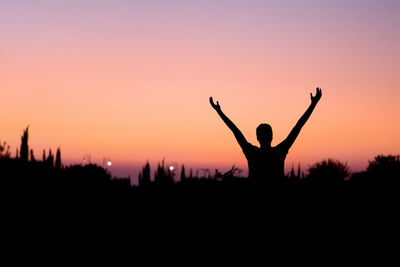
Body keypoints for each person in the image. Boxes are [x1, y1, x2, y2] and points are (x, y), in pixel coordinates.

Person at [210, 87, 322, 184]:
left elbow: (234, 130)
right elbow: (298, 126)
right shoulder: (279, 152)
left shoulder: (252, 153)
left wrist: (219, 111)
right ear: (272, 136)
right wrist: (313, 104)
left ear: (257, 137)